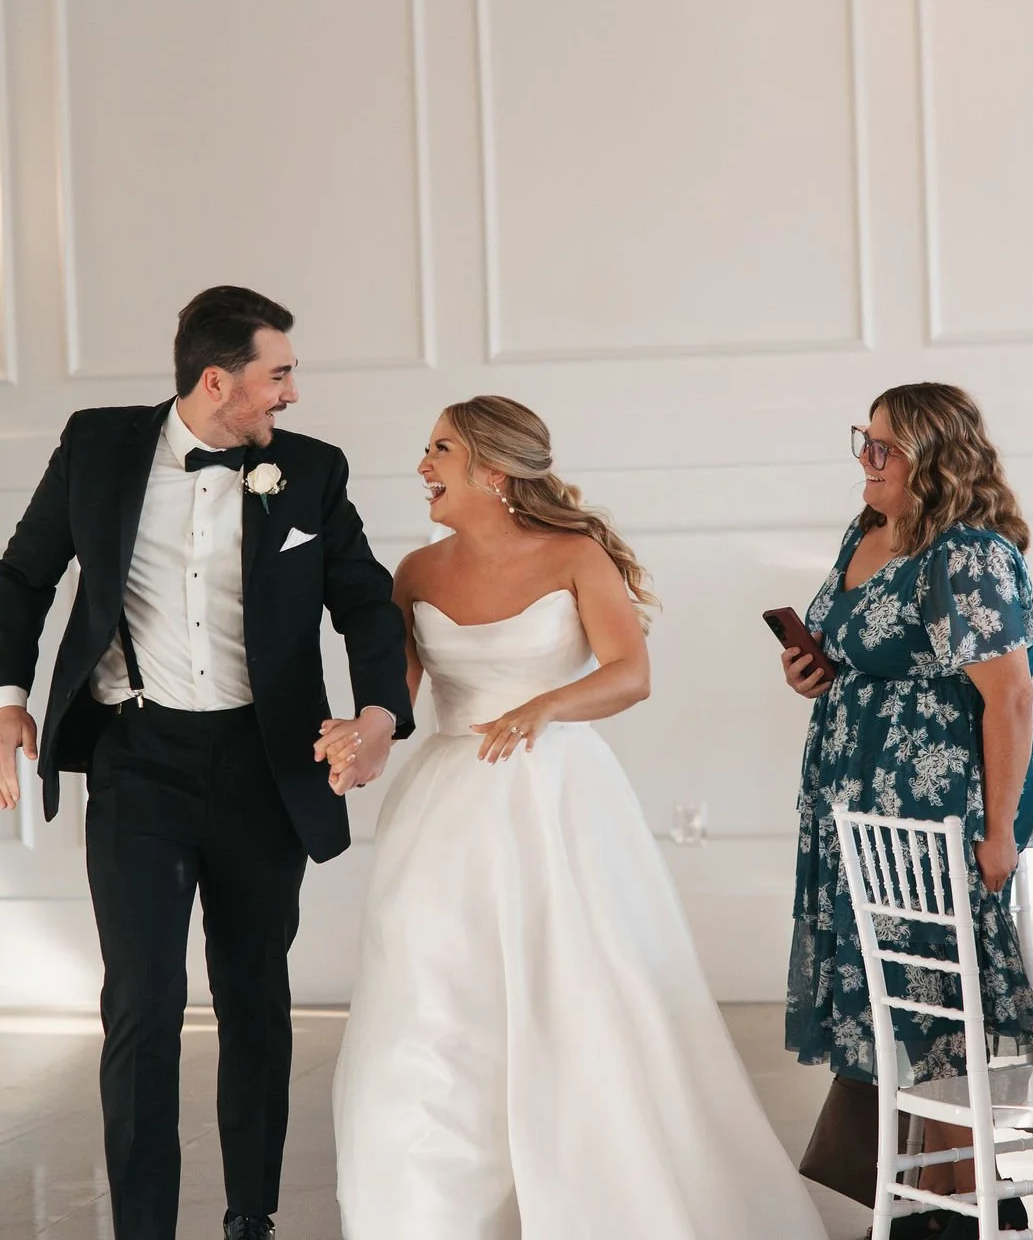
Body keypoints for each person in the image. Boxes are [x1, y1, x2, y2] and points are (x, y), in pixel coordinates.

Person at [331, 395, 826, 1239]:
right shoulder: (415, 573)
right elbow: (396, 699)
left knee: (579, 992)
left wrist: (545, 707)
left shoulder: (575, 554)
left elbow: (630, 673)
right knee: (436, 1001)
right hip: (445, 809)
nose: (422, 464)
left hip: (552, 797)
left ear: (493, 468)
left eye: (439, 448)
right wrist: (365, 736)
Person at [0, 286, 414, 1240]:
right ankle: (141, 1227)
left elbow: (369, 604)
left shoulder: (310, 472)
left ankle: (250, 1214)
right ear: (217, 380)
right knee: (141, 1000)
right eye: (279, 374)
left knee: (255, 993)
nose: (292, 394)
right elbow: (26, 571)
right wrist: (8, 702)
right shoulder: (97, 445)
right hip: (139, 759)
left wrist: (379, 713)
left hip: (264, 765)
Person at [781, 382, 1033, 1239]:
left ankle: (974, 1215)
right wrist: (814, 671)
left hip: (938, 816)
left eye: (884, 448)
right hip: (857, 809)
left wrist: (999, 831)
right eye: (861, 441)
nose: (866, 461)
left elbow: (1008, 699)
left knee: (943, 1022)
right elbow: (861, 651)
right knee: (888, 1014)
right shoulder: (865, 532)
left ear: (934, 459)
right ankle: (935, 1208)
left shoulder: (967, 554)